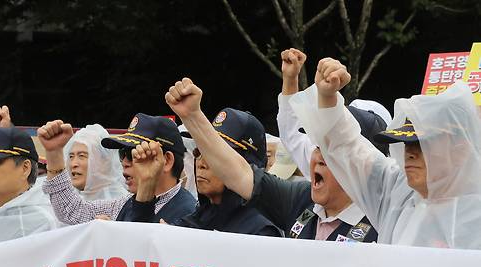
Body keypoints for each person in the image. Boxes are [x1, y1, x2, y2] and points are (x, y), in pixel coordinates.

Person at [290, 58, 481, 249]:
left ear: (460, 148)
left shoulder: (475, 214)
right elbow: (348, 149)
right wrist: (328, 99)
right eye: (406, 143)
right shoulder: (396, 193)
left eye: (423, 144)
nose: (410, 153)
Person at [164, 77, 378, 243]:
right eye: (317, 147)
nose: (319, 158)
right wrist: (193, 117)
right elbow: (238, 173)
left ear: (363, 163)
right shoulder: (302, 199)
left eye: (333, 149)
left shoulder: (382, 220)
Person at [131, 108, 283, 237]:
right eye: (199, 151)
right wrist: (146, 184)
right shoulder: (198, 218)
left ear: (247, 164)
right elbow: (143, 256)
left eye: (216, 156)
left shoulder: (260, 231)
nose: (201, 163)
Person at [39, 114, 196, 223]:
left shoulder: (189, 214)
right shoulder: (124, 203)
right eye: (122, 153)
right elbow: (72, 210)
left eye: (133, 153)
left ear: (166, 161)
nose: (125, 162)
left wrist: (112, 239)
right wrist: (54, 153)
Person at [277, 48, 390, 180]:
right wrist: (290, 79)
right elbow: (292, 133)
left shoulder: (386, 193)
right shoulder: (322, 165)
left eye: (339, 142)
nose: (323, 154)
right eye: (321, 144)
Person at [63, 124, 127, 200]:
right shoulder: (69, 204)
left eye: (82, 156)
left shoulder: (124, 205)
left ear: (105, 162)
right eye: (71, 156)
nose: (73, 164)